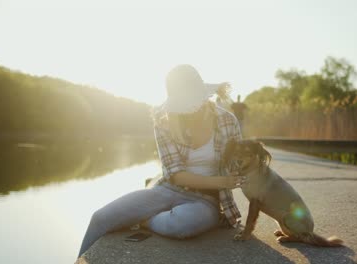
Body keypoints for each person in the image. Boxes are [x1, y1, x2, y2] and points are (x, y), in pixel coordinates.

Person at [76, 64, 246, 259]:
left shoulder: (228, 121)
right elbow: (176, 176)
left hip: (206, 200)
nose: (188, 112)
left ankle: (145, 220)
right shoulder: (165, 122)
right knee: (100, 218)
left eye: (192, 104)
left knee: (182, 224)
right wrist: (221, 182)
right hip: (168, 190)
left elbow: (238, 166)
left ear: (203, 97)